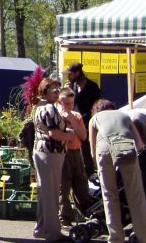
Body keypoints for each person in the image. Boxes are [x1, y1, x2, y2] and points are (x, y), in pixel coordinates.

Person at [89, 100, 146, 243]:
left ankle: (116, 238)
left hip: (104, 148)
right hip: (127, 148)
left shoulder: (94, 119)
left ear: (95, 110)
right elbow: (139, 144)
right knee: (136, 196)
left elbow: (92, 150)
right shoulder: (124, 116)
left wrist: (97, 167)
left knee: (109, 195)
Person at [31, 78, 74, 241]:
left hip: (43, 151)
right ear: (44, 91)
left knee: (45, 192)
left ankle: (41, 229)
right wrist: (69, 135)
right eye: (53, 89)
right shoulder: (49, 108)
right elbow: (54, 133)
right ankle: (53, 233)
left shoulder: (39, 107)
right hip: (50, 152)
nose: (57, 92)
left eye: (58, 89)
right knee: (51, 193)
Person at [56, 88, 91, 229]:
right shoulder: (56, 116)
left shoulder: (76, 116)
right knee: (63, 186)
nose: (69, 106)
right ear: (60, 102)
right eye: (66, 103)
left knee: (81, 183)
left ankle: (87, 213)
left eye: (71, 103)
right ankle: (65, 218)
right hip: (63, 153)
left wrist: (72, 119)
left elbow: (83, 136)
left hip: (76, 152)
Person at [64, 62, 100, 177]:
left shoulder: (93, 87)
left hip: (88, 121)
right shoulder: (72, 87)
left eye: (71, 74)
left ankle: (90, 171)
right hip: (74, 122)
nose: (69, 77)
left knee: (87, 146)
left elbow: (97, 105)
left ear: (77, 73)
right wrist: (67, 91)